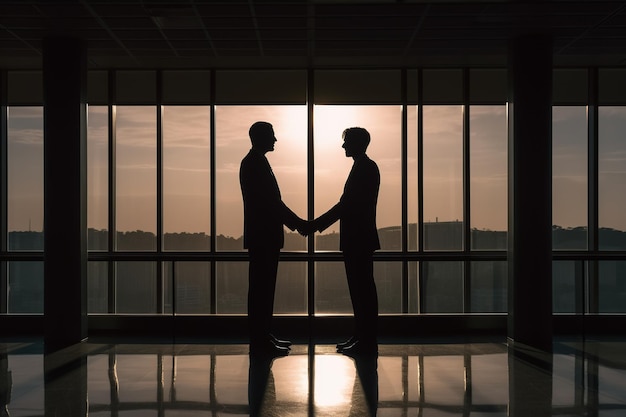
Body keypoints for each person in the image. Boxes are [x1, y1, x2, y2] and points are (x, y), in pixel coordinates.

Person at [300, 127, 380, 355]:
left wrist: (314, 225)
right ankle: (362, 337)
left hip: (358, 239)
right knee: (360, 291)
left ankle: (365, 340)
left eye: (346, 142)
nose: (343, 146)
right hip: (360, 239)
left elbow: (346, 205)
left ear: (356, 143)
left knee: (361, 290)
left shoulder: (364, 168)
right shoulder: (364, 167)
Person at [240, 121, 305, 356]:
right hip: (263, 237)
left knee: (264, 290)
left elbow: (271, 202)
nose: (276, 140)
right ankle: (260, 339)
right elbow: (271, 203)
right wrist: (298, 224)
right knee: (261, 290)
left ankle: (263, 336)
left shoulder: (256, 162)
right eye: (272, 135)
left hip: (263, 236)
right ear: (261, 137)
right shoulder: (254, 163)